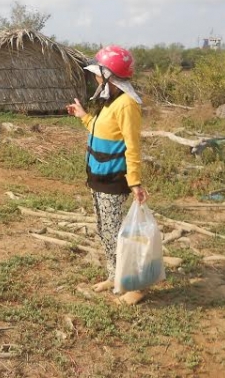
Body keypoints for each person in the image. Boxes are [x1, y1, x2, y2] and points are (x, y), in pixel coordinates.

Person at [67, 45, 149, 306]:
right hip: (97, 177)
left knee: (116, 234)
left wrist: (134, 181)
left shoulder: (127, 104)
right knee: (104, 230)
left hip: (114, 180)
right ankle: (115, 277)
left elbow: (132, 145)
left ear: (109, 75)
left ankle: (136, 287)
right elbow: (101, 131)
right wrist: (83, 116)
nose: (95, 78)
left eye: (98, 74)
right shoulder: (108, 101)